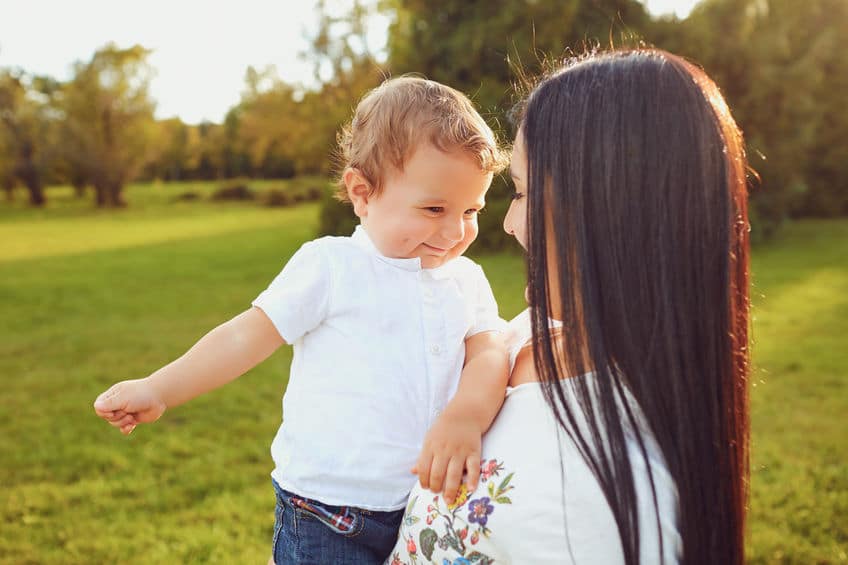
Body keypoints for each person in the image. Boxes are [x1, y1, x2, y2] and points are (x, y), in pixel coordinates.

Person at [93, 76, 512, 565]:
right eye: (434, 208)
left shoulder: (466, 279)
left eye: (471, 210)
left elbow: (490, 352)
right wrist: (159, 389)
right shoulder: (331, 266)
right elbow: (245, 337)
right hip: (327, 513)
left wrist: (465, 416)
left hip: (428, 507)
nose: (455, 230)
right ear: (363, 193)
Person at [387, 49, 750, 565]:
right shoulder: (530, 335)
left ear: (604, 210)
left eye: (519, 192)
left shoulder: (608, 503)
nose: (509, 225)